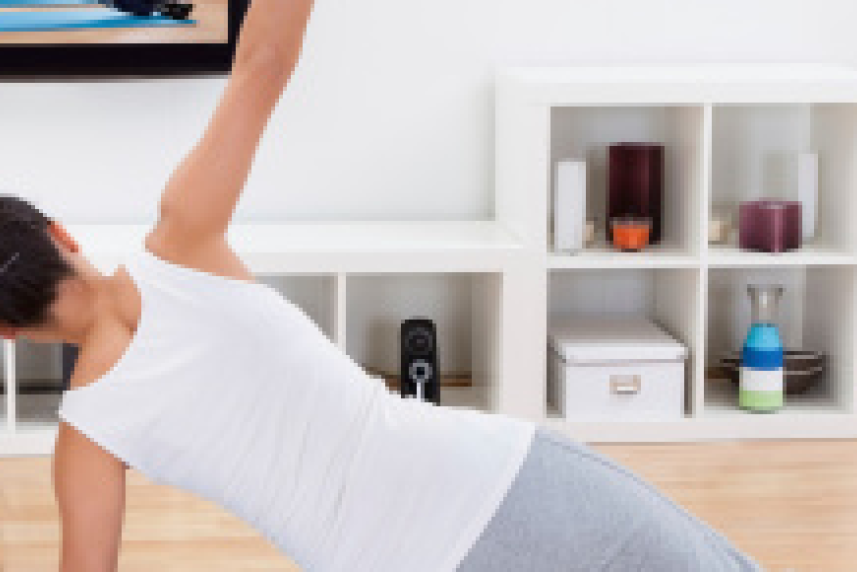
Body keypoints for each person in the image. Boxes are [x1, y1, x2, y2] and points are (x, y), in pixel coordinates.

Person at [0, 0, 762, 570]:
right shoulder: (182, 236)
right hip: (479, 482)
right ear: (61, 234)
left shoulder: (84, 443)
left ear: (6, 332)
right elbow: (264, 58)